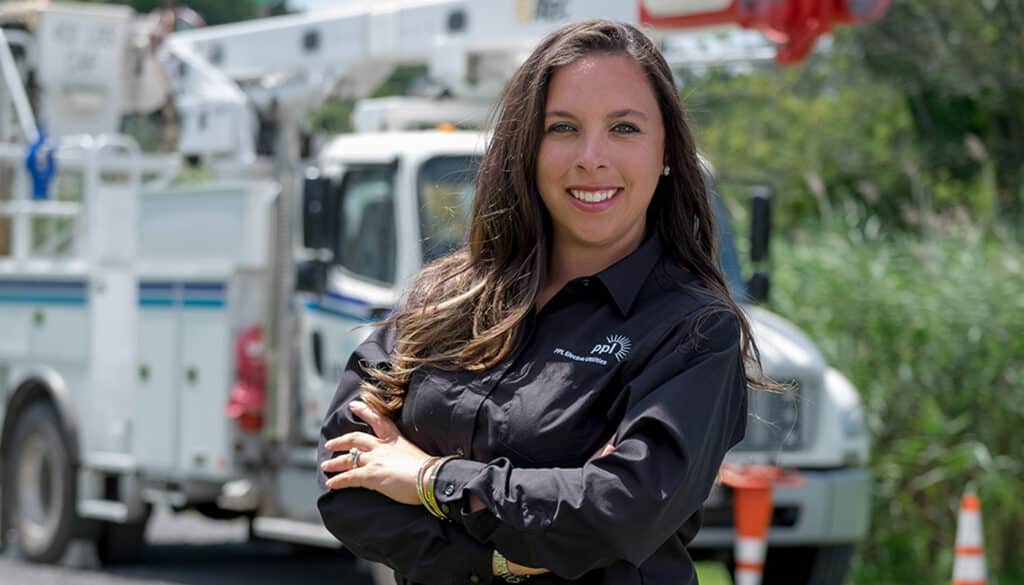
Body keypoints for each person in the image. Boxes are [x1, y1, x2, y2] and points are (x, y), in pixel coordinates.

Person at [317, 19, 763, 585]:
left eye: (624, 128)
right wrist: (503, 558)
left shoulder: (693, 331)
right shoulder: (445, 300)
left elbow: (617, 512)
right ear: (527, 146)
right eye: (562, 128)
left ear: (667, 152)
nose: (591, 157)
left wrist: (428, 476)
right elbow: (345, 482)